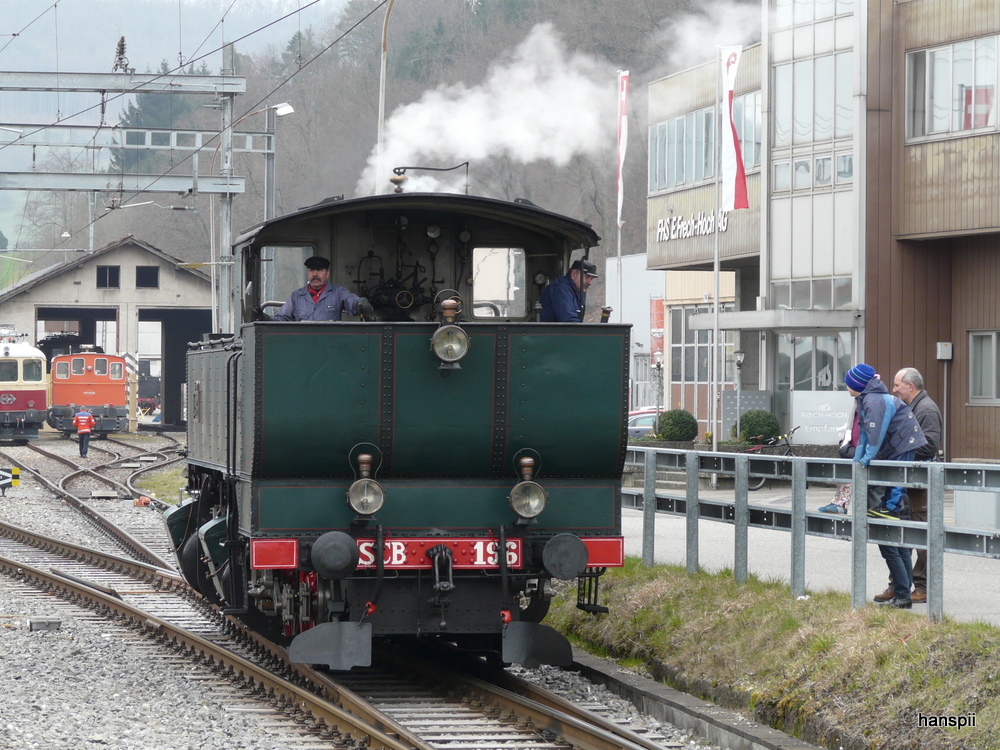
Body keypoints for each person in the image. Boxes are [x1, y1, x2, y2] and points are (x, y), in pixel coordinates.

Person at [845, 363, 927, 609]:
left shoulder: (873, 400)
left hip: (902, 447)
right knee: (894, 543)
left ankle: (903, 596)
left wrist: (867, 457)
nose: (845, 386)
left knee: (891, 540)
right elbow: (865, 434)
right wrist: (858, 459)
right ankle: (902, 594)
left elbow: (875, 432)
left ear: (857, 384)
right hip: (892, 454)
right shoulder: (867, 399)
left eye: (848, 382)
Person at [871, 366, 942, 605]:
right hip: (907, 482)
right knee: (901, 535)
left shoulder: (927, 409)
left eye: (897, 385)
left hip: (920, 486)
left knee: (922, 537)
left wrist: (898, 449)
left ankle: (922, 587)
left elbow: (929, 445)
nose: (893, 390)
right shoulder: (912, 407)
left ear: (910, 386)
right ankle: (898, 584)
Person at [273, 256, 374, 321]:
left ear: (327, 274)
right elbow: (282, 318)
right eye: (311, 270)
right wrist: (264, 319)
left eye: (320, 270)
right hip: (302, 345)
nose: (315, 274)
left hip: (330, 345)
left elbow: (350, 301)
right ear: (307, 273)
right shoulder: (296, 296)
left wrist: (359, 303)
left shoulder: (338, 292)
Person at [819, 403, 860, 514]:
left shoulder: (868, 404)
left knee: (849, 480)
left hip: (858, 449)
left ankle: (842, 504)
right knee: (841, 477)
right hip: (851, 446)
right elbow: (851, 423)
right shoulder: (857, 404)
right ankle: (836, 501)